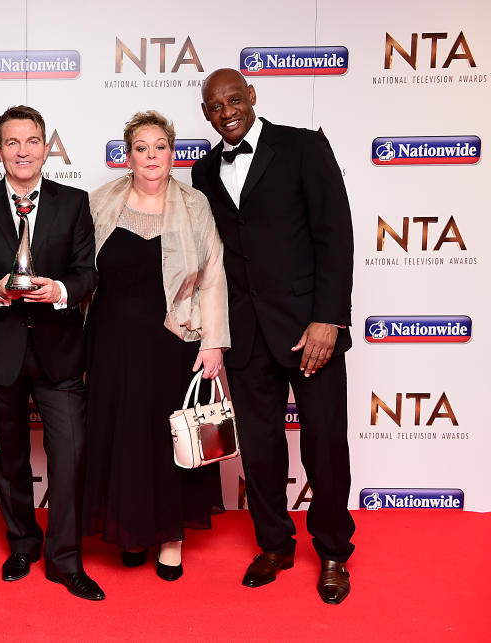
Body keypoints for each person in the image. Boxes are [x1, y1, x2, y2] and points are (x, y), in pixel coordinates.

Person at [191, 68, 355, 604]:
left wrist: (328, 319)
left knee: (324, 446)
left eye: (234, 99)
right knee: (259, 449)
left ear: (253, 97)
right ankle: (274, 544)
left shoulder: (303, 148)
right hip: (246, 332)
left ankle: (332, 552)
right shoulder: (204, 169)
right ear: (206, 115)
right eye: (215, 106)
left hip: (310, 330)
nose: (226, 111)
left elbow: (335, 237)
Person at [0, 105, 103, 601]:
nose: (22, 151)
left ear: (46, 146)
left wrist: (59, 289)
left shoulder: (74, 202)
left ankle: (65, 560)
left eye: (32, 141)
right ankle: (23, 544)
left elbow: (88, 274)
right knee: (10, 459)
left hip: (59, 350)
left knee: (70, 454)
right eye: (12, 142)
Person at [82, 111, 229, 581]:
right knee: (123, 439)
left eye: (160, 146)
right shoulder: (100, 201)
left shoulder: (195, 204)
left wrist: (214, 343)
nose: (151, 156)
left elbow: (214, 277)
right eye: (141, 148)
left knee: (168, 442)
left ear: (172, 153)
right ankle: (130, 531)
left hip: (174, 343)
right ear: (128, 157)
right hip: (110, 345)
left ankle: (170, 538)